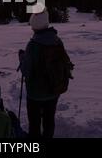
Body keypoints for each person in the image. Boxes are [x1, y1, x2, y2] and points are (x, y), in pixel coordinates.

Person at [19, 8, 73, 138]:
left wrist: (22, 59)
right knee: (49, 121)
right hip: (53, 90)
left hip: (35, 94)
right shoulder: (57, 41)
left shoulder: (32, 45)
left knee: (35, 123)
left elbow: (26, 71)